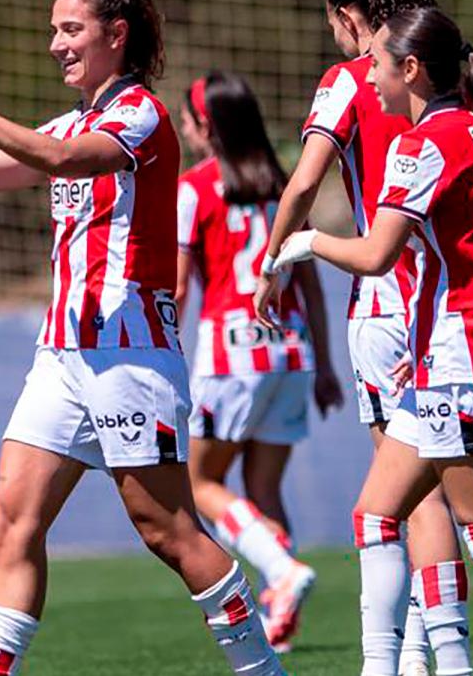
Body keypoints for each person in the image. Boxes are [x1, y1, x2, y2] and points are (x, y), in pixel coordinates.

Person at [0, 0, 282, 675]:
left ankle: (263, 669)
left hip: (130, 355)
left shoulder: (141, 115)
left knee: (168, 531)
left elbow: (64, 159)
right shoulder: (71, 120)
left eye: (70, 29)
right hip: (60, 357)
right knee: (13, 524)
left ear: (115, 35)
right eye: (53, 31)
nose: (56, 44)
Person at [254, 0, 473, 675]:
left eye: (378, 65)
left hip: (450, 341)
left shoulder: (422, 138)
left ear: (408, 67)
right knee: (386, 513)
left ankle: (472, 664)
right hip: (446, 340)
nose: (369, 77)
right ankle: (401, 664)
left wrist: (292, 249)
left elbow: (369, 246)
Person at [174, 70, 342, 651]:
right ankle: (282, 616)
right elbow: (312, 286)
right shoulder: (284, 187)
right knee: (263, 488)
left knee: (198, 483)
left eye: (189, 121)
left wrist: (161, 356)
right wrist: (325, 366)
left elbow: (178, 289)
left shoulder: (194, 189)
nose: (185, 131)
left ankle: (281, 572)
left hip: (231, 355)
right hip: (291, 351)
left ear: (207, 127)